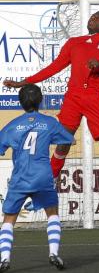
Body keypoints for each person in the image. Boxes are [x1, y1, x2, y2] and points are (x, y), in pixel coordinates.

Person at [3, 11, 99, 215]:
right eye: (92, 17)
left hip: (95, 99)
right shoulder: (74, 42)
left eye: (98, 18)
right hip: (73, 98)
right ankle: (44, 195)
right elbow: (54, 67)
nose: (92, 19)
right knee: (62, 145)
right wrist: (24, 82)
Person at [0, 84, 75, 272]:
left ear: (20, 103)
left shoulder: (13, 125)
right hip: (43, 176)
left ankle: (5, 259)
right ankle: (53, 253)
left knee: (9, 219)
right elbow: (70, 140)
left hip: (20, 178)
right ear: (41, 100)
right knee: (52, 213)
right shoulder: (49, 123)